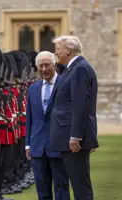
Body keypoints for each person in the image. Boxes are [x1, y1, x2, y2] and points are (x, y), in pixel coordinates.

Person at [50, 36, 99, 200]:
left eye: (58, 49)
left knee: (80, 187)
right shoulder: (72, 69)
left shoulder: (80, 69)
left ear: (68, 51)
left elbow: (80, 104)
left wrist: (76, 136)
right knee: (77, 184)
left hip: (73, 140)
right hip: (67, 136)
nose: (56, 53)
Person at [25, 51, 70, 200]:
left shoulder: (66, 84)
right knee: (42, 193)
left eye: (47, 65)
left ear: (55, 65)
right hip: (38, 148)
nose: (44, 69)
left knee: (61, 190)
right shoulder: (32, 89)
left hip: (59, 146)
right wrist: (27, 145)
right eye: (40, 66)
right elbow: (30, 118)